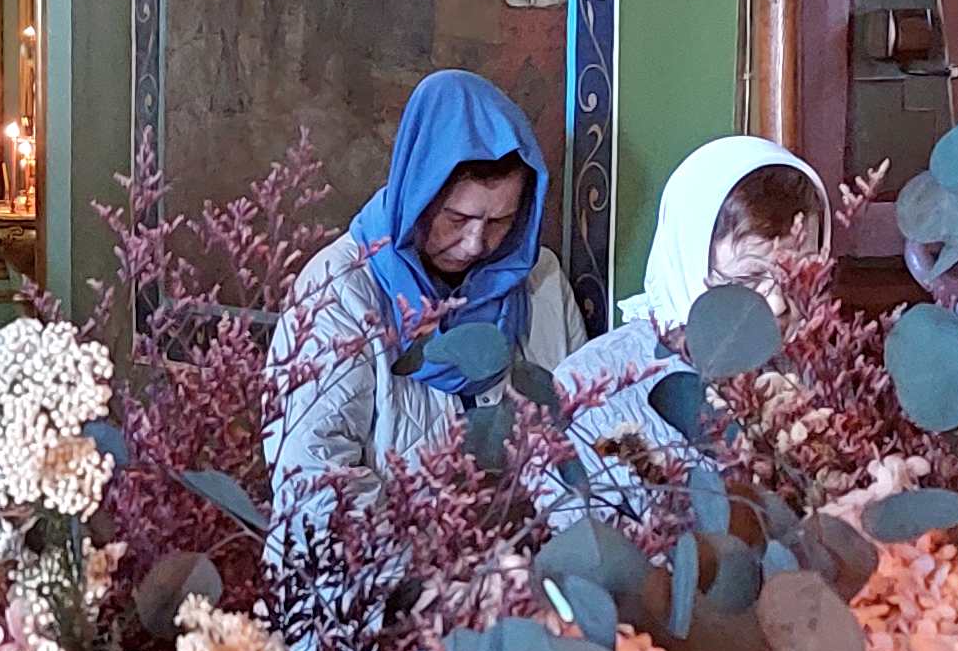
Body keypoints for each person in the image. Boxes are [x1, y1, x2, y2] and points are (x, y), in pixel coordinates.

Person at [264, 69, 587, 507]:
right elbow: (312, 483)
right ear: (417, 194)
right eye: (457, 219)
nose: (475, 244)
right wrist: (436, 548)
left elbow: (578, 443)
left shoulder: (541, 282)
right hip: (384, 549)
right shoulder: (339, 290)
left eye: (500, 222)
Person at [557, 136, 830, 508]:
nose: (778, 303)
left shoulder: (829, 376)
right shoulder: (590, 388)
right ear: (686, 263)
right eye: (746, 280)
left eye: (798, 276)